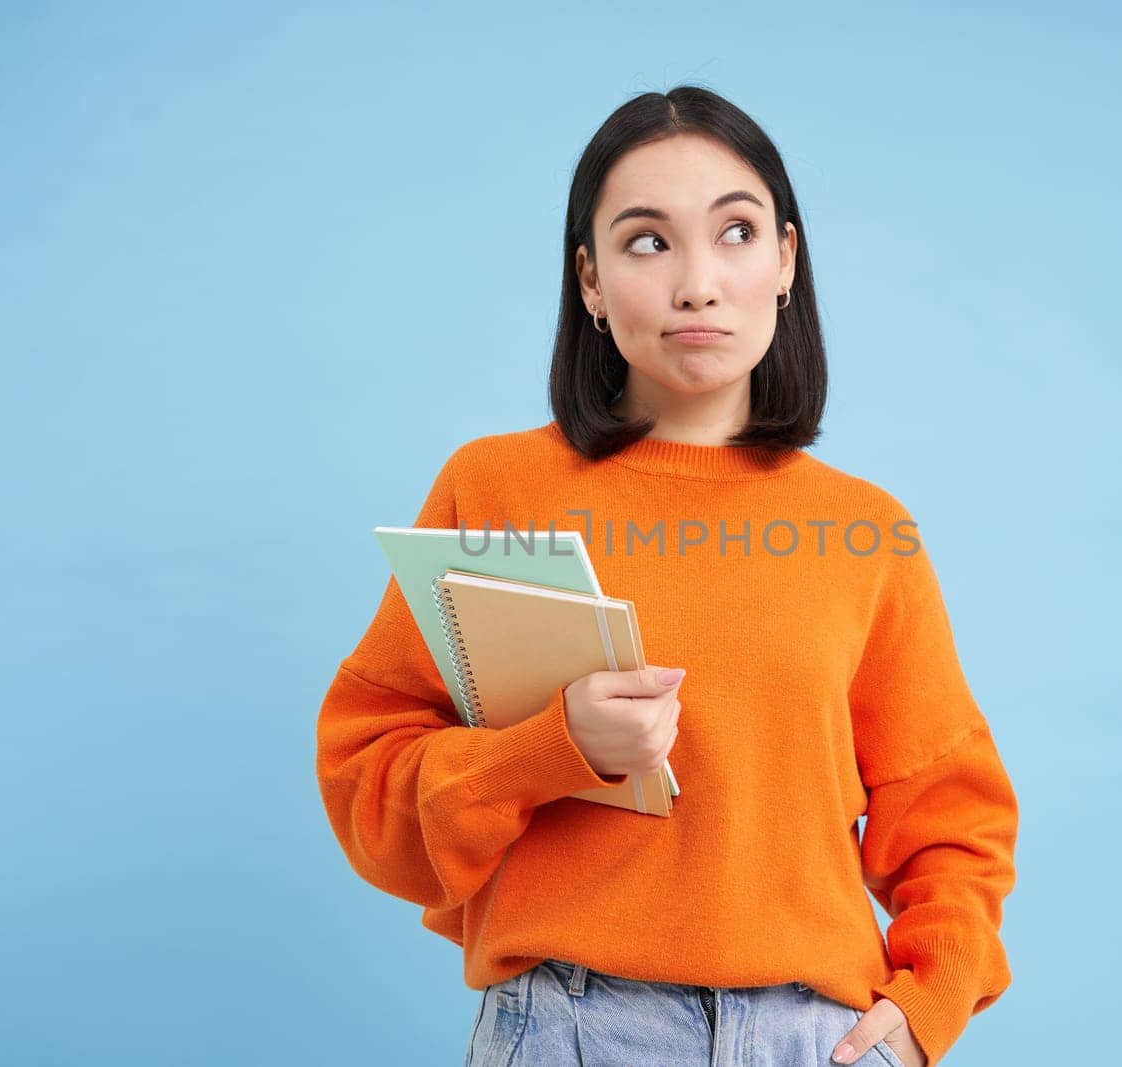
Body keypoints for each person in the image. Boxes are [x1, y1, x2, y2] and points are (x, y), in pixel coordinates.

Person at [315, 85, 1019, 1067]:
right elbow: (369, 790)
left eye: (734, 233)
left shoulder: (865, 530)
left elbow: (951, 810)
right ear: (590, 280)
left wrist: (929, 1001)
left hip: (814, 1034)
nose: (697, 282)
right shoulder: (496, 489)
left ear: (784, 260)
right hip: (571, 1023)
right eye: (648, 241)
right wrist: (554, 747)